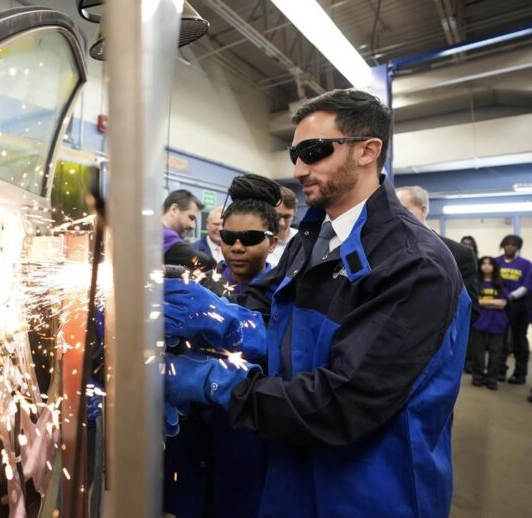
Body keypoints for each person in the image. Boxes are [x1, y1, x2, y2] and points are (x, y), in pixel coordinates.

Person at [163, 88, 471, 517]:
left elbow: (342, 402)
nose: (298, 168)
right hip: (295, 471)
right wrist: (219, 315)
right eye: (296, 153)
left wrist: (218, 383)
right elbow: (272, 310)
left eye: (314, 151)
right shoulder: (315, 239)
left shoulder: (414, 263)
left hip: (371, 490)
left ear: (368, 151)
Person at [164, 174, 280, 518]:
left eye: (251, 238)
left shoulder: (286, 293)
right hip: (193, 435)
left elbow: (282, 353)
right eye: (229, 238)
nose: (238, 247)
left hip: (245, 435)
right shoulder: (202, 287)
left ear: (273, 242)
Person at [396, 186, 480, 327]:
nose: (395, 215)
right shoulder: (385, 251)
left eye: (402, 209)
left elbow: (467, 309)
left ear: (423, 210)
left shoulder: (458, 254)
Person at [495, 234, 532, 384]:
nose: (510, 246)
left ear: (517, 247)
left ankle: (520, 374)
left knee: (519, 340)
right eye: (507, 244)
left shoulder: (526, 264)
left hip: (520, 306)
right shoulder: (495, 262)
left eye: (514, 245)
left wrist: (510, 297)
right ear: (503, 245)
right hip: (499, 307)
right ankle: (500, 371)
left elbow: (526, 286)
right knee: (500, 340)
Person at [470, 256, 509, 390]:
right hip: (479, 321)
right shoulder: (475, 282)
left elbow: (503, 304)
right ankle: (478, 377)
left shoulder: (500, 283)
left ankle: (492, 378)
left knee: (495, 353)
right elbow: (474, 302)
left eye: (489, 264)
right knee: (478, 352)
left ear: (494, 267)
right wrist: (493, 302)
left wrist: (483, 302)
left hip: (497, 323)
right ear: (479, 266)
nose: (486, 266)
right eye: (483, 263)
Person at [162, 189, 216, 270]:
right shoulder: (166, 235)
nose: (193, 226)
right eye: (191, 218)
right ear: (174, 210)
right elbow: (207, 262)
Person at [266, 185, 298, 266]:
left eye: (287, 217)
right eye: (276, 216)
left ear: (294, 214)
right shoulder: (257, 242)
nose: (281, 223)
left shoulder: (302, 240)